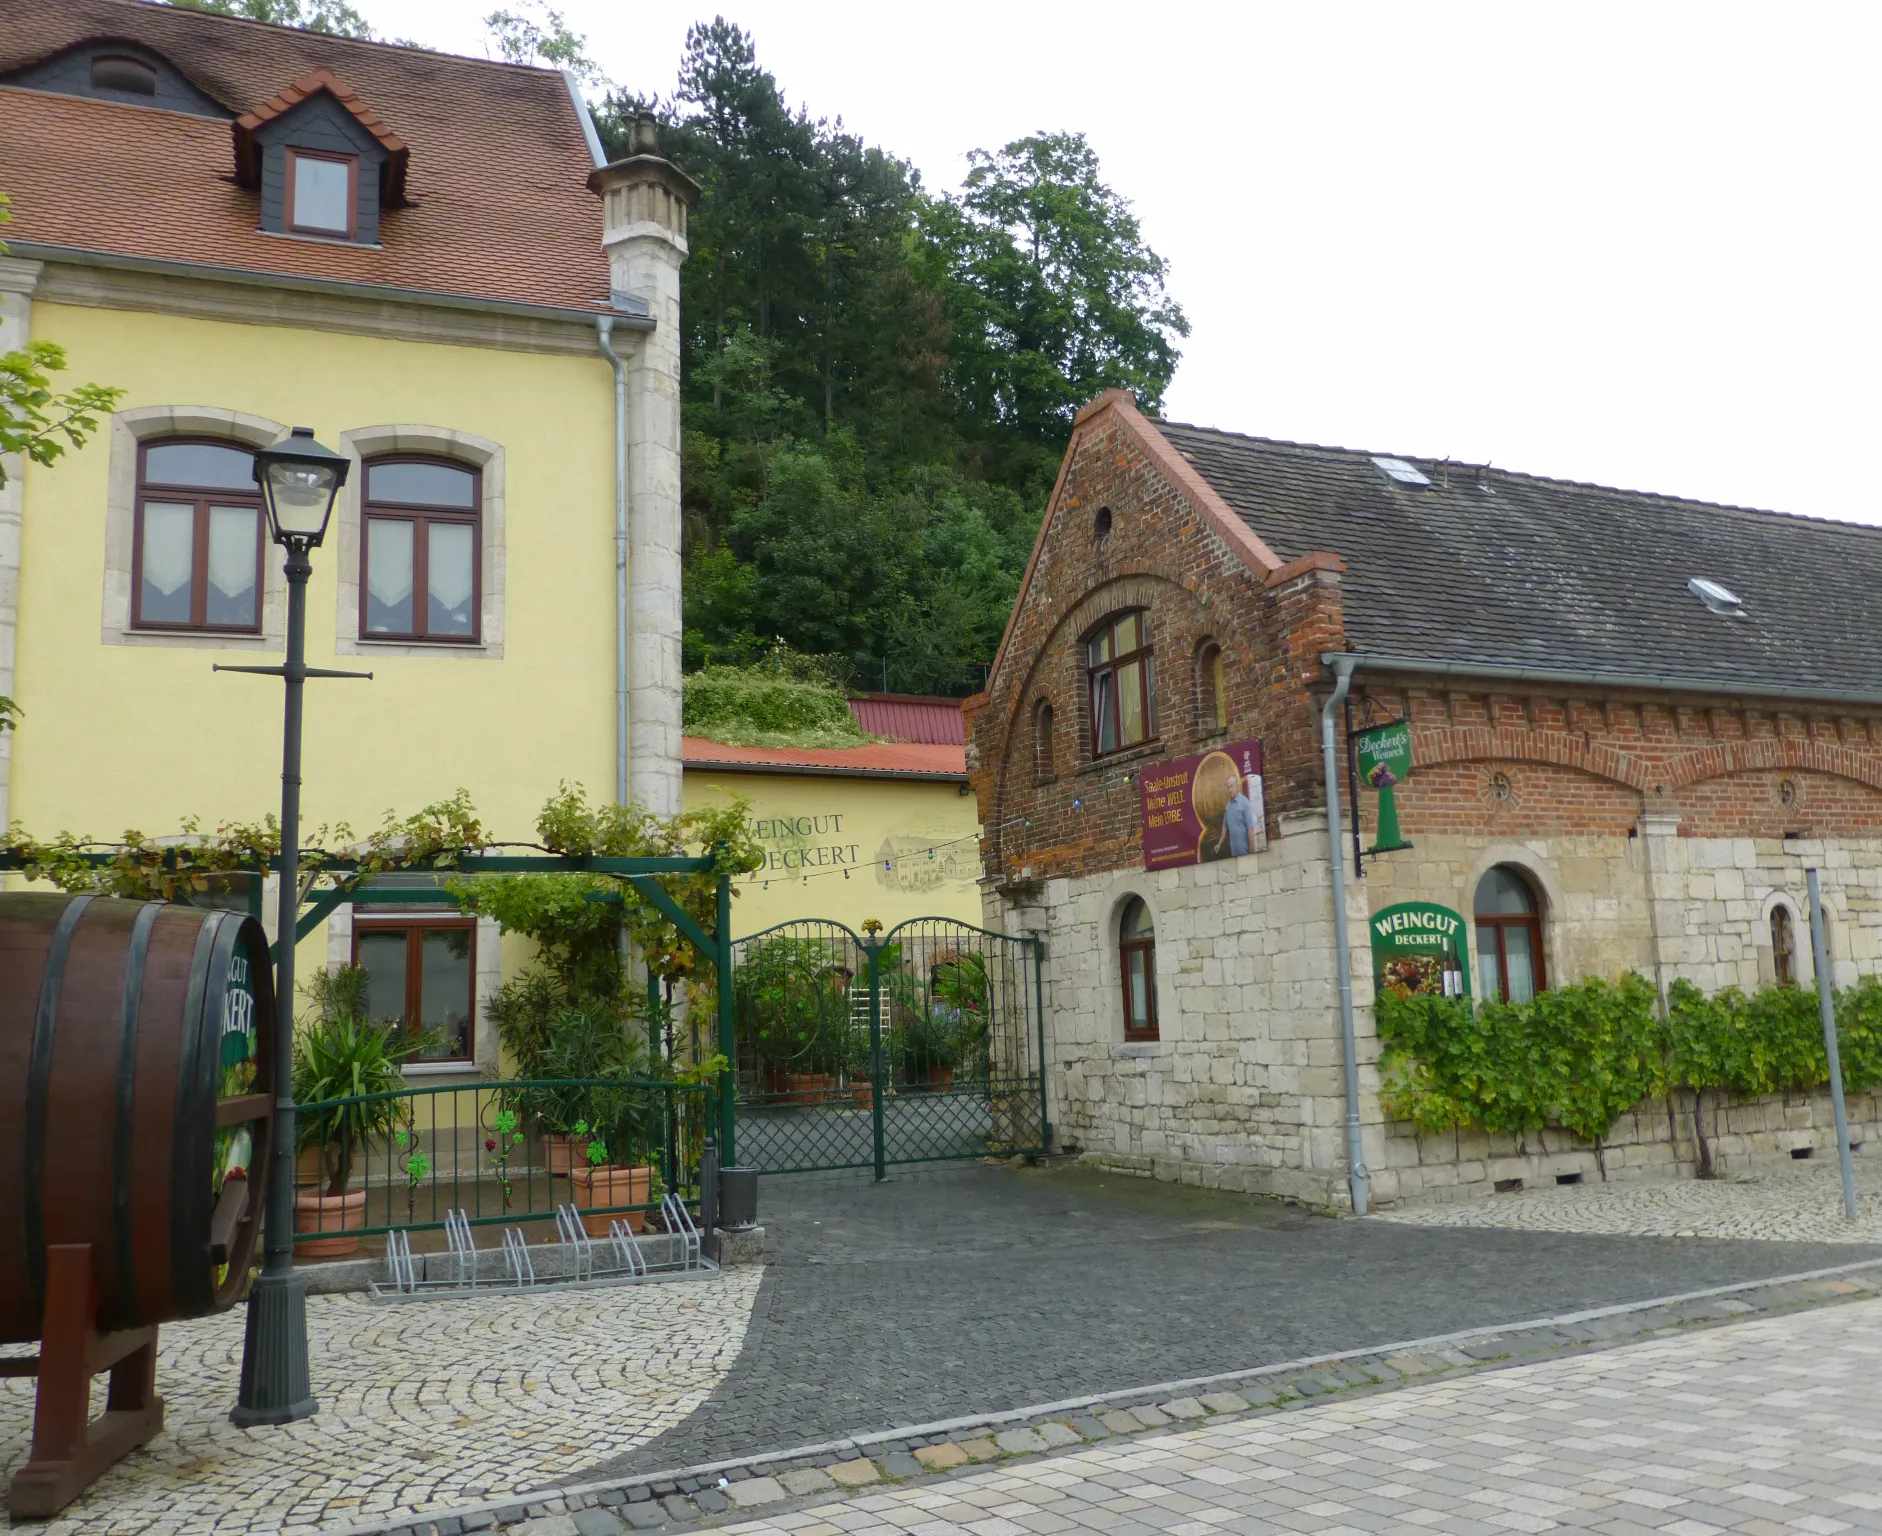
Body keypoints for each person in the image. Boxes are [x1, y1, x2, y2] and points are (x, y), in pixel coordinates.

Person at [1220, 770, 1259, 858]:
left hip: (1245, 853)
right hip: (1234, 854)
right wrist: (1219, 843)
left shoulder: (1244, 802)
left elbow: (1250, 828)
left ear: (1237, 786)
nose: (1230, 789)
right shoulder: (1228, 805)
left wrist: (1252, 852)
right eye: (1228, 787)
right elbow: (1224, 826)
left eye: (1231, 786)